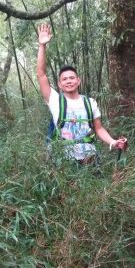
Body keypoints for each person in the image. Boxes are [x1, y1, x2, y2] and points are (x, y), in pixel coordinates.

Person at [36, 22, 127, 163]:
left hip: (89, 158)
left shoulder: (90, 102)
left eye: (72, 78)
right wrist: (42, 46)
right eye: (64, 79)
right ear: (60, 84)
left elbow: (99, 128)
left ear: (78, 81)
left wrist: (112, 142)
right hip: (64, 161)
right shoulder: (54, 100)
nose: (68, 81)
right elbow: (41, 74)